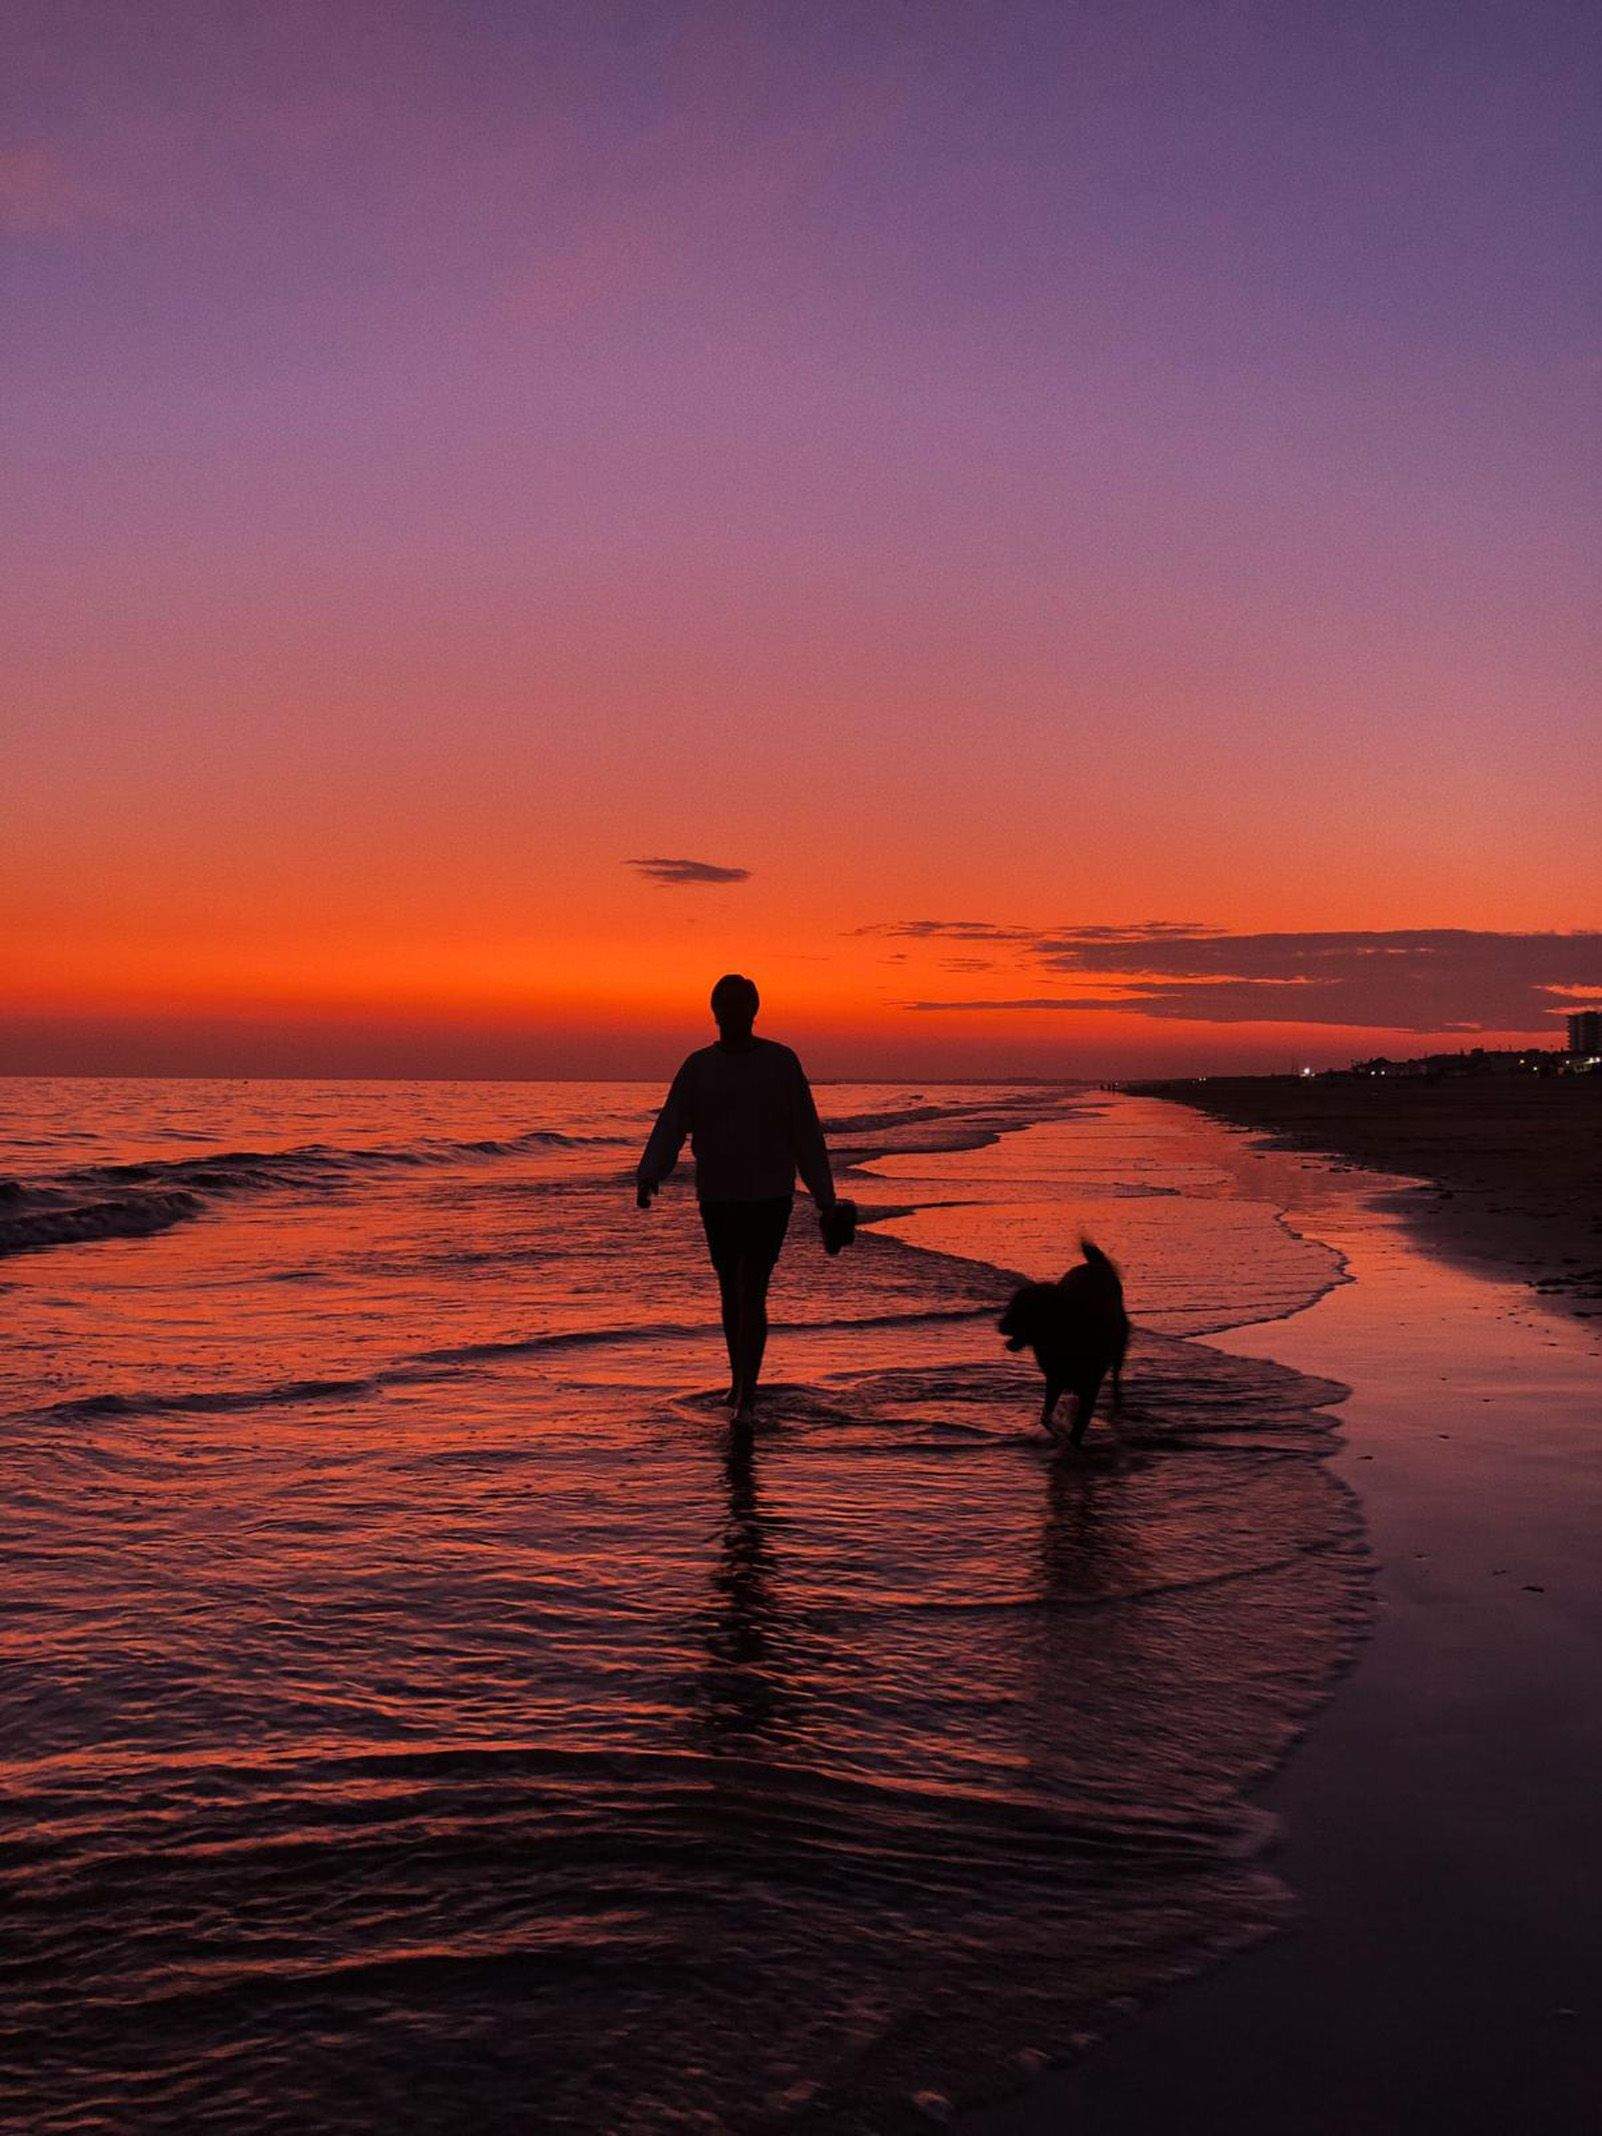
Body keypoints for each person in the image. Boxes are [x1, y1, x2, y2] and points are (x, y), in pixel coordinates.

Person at [637, 974, 837, 1423]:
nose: (730, 1014)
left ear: (752, 1011)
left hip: (769, 1195)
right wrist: (650, 1174)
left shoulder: (781, 1063)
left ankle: (747, 1389)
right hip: (719, 1196)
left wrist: (825, 1198)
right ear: (715, 1011)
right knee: (732, 1288)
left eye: (737, 1006)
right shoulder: (699, 1067)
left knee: (753, 1286)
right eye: (724, 1006)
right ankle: (739, 1381)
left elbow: (806, 1133)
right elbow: (672, 1123)